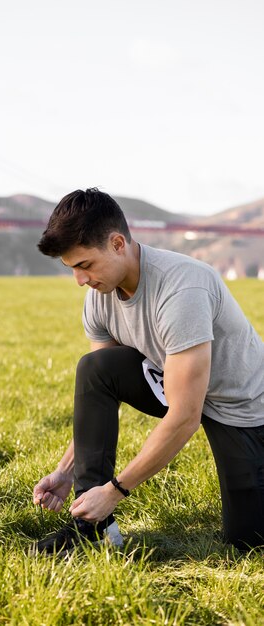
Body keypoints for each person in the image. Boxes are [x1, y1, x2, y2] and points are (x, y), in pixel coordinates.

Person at [31, 187, 264, 555]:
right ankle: (88, 528)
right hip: (175, 383)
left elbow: (185, 416)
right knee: (95, 367)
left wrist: (115, 491)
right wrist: (67, 471)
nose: (79, 280)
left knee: (248, 543)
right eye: (72, 268)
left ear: (118, 243)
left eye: (85, 265)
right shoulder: (99, 298)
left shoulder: (181, 288)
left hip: (242, 407)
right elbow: (101, 383)